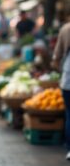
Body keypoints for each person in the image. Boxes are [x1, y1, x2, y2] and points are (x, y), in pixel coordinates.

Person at [52, 23, 70, 160]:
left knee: (69, 114)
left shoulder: (66, 29)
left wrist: (57, 68)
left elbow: (57, 55)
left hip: (68, 80)